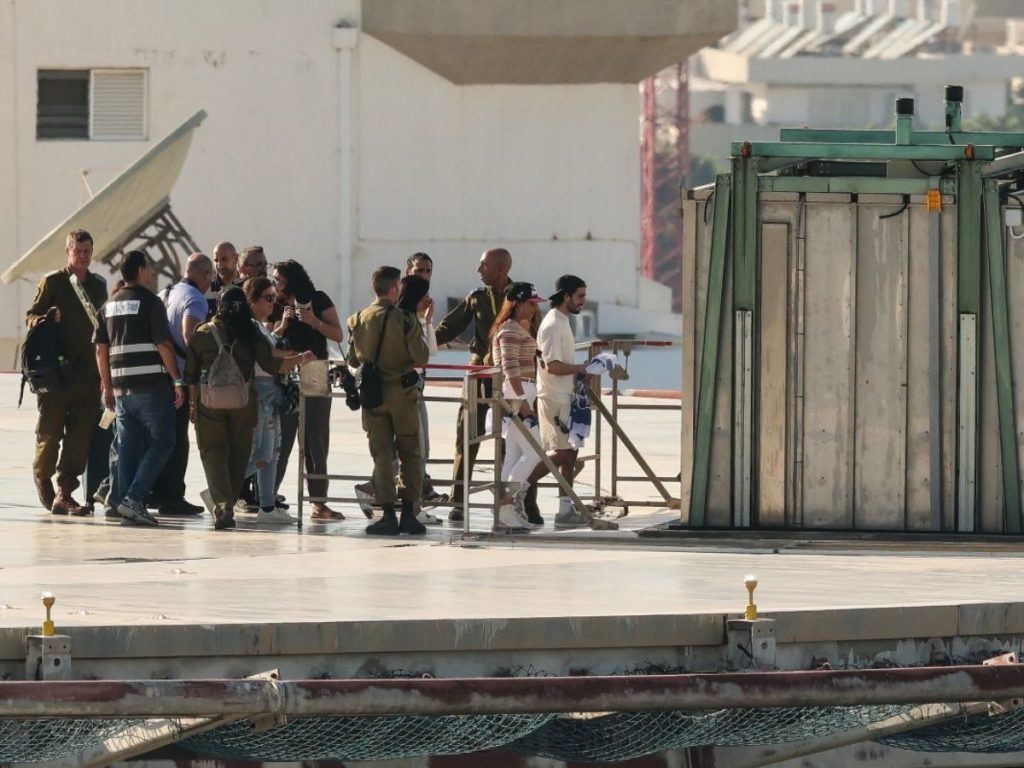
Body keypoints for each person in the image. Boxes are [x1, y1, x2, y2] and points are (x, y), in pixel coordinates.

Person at [186, 286, 310, 530]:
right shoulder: (250, 332)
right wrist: (301, 358)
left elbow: (190, 374)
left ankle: (223, 506)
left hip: (209, 403)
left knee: (214, 454)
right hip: (243, 403)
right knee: (239, 455)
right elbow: (272, 365)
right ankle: (228, 503)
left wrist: (193, 404)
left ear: (219, 306)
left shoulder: (202, 333)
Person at [434, 248, 542, 524]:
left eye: (483, 265)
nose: (478, 270)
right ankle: (458, 501)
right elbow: (449, 328)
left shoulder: (523, 297)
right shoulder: (477, 297)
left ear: (500, 269)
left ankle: (525, 504)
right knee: (467, 436)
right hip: (479, 377)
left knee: (519, 443)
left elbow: (537, 338)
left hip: (513, 380)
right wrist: (420, 345)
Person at [94, 250, 185, 526]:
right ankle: (134, 499)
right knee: (164, 441)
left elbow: (100, 350)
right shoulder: (150, 302)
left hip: (121, 390)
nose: (152, 272)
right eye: (149, 268)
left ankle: (121, 502)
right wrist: (177, 379)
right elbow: (163, 344)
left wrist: (108, 387)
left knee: (127, 448)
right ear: (141, 270)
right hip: (151, 387)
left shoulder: (108, 306)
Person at [26, 228, 107, 516]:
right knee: (50, 433)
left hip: (87, 375)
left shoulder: (98, 285)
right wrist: (45, 319)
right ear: (68, 252)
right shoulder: (53, 282)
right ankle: (42, 477)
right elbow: (31, 316)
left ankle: (65, 492)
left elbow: (103, 327)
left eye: (87, 251)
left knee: (80, 437)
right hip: (57, 373)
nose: (82, 256)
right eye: (77, 251)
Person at [346, 266, 430, 536]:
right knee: (410, 453)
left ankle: (387, 515)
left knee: (381, 455)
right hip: (402, 394)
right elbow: (421, 355)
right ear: (394, 289)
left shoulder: (357, 319)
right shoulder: (405, 319)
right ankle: (408, 513)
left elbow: (352, 360)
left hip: (373, 395)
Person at [271, 259, 345, 519]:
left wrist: (314, 321)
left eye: (279, 279)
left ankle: (318, 502)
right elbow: (267, 336)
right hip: (287, 371)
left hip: (315, 370)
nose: (275, 284)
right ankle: (268, 497)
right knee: (281, 438)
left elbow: (338, 334)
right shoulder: (275, 303)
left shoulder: (318, 299)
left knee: (316, 439)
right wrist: (282, 323)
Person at [148, 253, 214, 516]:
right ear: (206, 274)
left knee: (160, 437)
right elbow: (190, 335)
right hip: (180, 378)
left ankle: (156, 491)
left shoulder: (166, 293)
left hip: (159, 376)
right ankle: (172, 497)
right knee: (177, 440)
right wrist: (204, 365)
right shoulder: (195, 298)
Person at [525, 274, 591, 529]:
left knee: (570, 452)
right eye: (580, 296)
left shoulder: (562, 321)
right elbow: (552, 366)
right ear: (566, 296)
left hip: (565, 395)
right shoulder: (553, 324)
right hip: (553, 397)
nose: (583, 301)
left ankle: (565, 509)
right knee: (562, 452)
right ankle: (515, 492)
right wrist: (581, 368)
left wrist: (581, 371)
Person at [240, 276, 299, 524]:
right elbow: (266, 357)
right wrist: (299, 358)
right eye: (267, 298)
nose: (272, 303)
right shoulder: (251, 327)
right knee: (262, 453)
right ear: (252, 301)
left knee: (272, 453)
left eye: (275, 298)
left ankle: (267, 506)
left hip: (271, 394)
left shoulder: (260, 327)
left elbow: (268, 346)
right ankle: (222, 489)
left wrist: (280, 330)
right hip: (262, 393)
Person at [489, 282, 546, 531]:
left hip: (521, 392)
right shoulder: (509, 330)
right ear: (518, 303)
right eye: (531, 303)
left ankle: (504, 511)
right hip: (517, 394)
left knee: (513, 455)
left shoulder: (515, 328)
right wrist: (522, 402)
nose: (534, 308)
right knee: (535, 451)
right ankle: (505, 504)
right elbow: (510, 367)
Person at [205, 241, 240, 315]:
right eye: (216, 260)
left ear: (236, 258)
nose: (219, 265)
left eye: (224, 259)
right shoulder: (206, 287)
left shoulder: (247, 286)